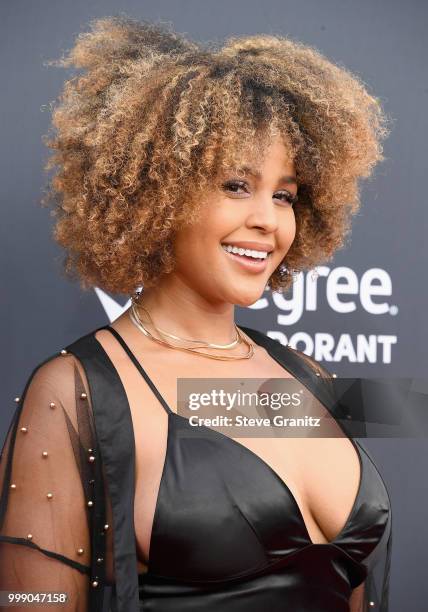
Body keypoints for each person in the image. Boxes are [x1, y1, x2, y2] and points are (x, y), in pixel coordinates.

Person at [0, 15, 392, 612]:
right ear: (158, 193)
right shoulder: (76, 392)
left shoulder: (308, 374)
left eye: (283, 195)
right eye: (236, 185)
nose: (268, 218)